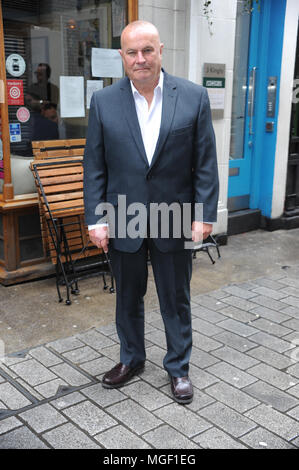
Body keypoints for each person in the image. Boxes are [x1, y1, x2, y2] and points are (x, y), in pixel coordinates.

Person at [83, 20, 219, 404]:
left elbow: (205, 162)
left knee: (175, 296)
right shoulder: (104, 102)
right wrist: (97, 218)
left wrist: (204, 214)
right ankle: (132, 359)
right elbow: (94, 165)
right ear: (122, 57)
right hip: (122, 213)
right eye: (132, 52)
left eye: (147, 50)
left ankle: (178, 368)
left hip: (173, 215)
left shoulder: (192, 96)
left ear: (161, 51)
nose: (140, 59)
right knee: (127, 295)